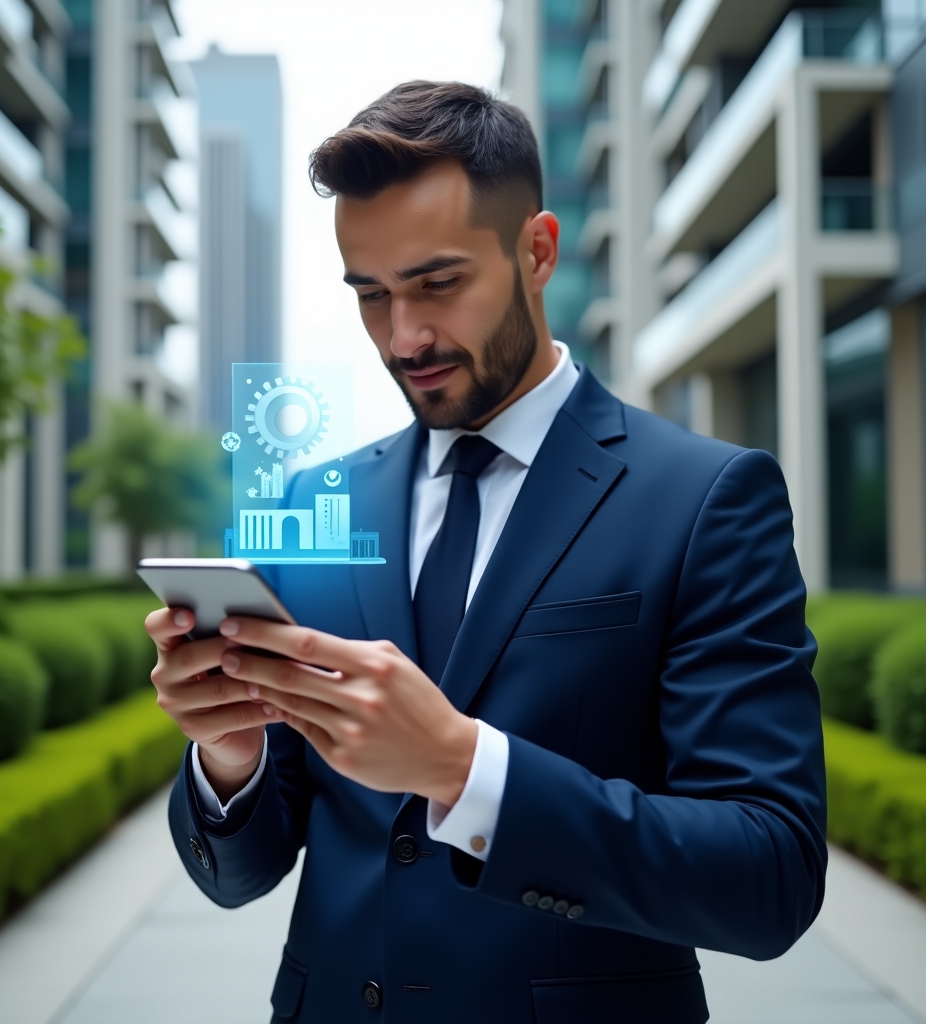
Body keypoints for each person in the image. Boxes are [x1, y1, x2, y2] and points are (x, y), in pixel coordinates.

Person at [147, 81, 826, 1024]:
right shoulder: (313, 503)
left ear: (536, 251)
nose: (404, 336)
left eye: (437, 284)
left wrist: (465, 769)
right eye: (370, 295)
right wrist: (232, 755)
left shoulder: (705, 498)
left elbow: (769, 874)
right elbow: (241, 874)